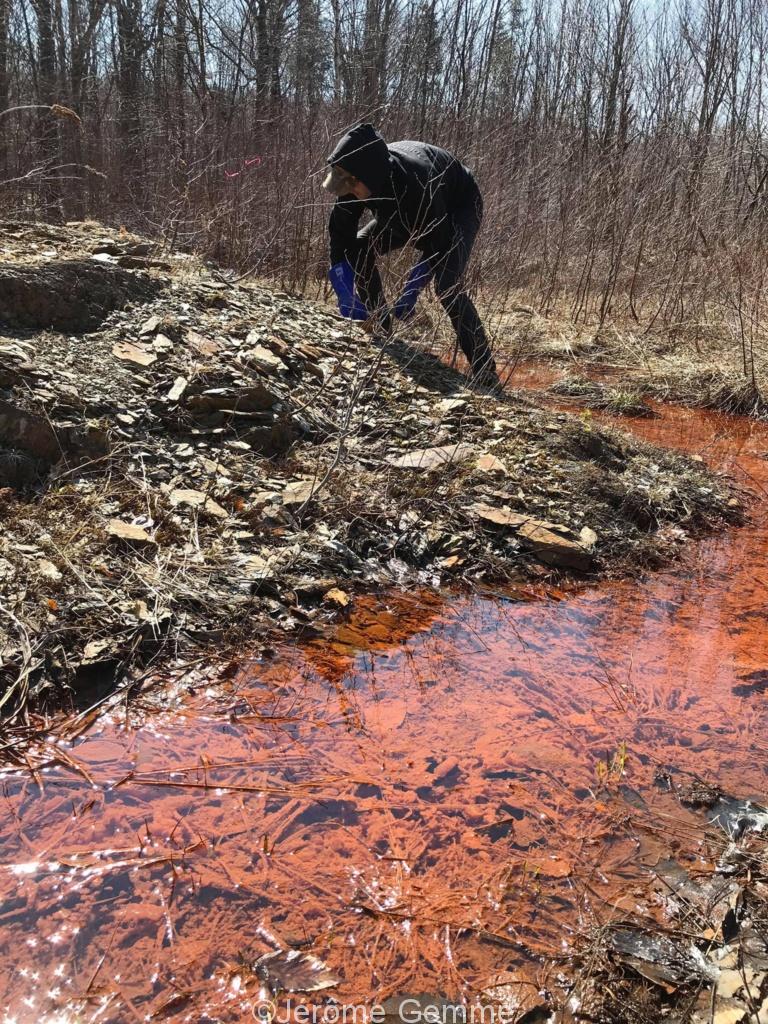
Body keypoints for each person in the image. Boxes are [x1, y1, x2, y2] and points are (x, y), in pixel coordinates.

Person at [323, 123, 499, 388]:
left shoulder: (418, 185)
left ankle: (485, 372)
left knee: (447, 286)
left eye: (351, 187)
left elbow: (438, 247)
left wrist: (412, 290)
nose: (347, 193)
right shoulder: (351, 176)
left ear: (370, 177)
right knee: (360, 247)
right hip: (400, 210)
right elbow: (341, 235)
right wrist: (341, 281)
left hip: (458, 204)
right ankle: (381, 324)